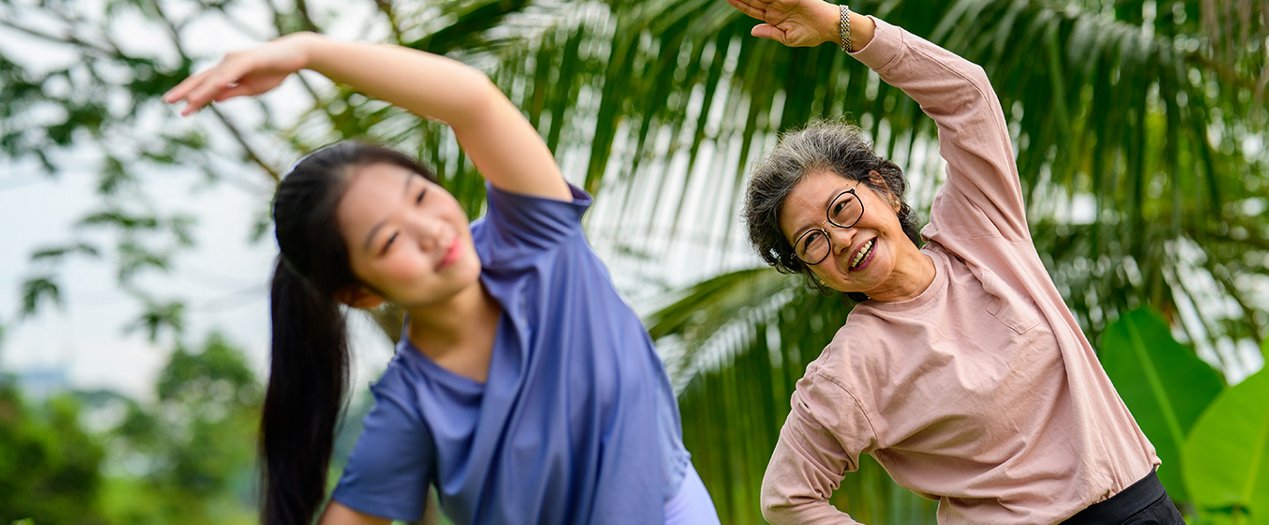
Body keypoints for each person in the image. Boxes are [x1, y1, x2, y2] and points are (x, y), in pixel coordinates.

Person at [163, 31, 719, 525]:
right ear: (359, 293)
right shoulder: (412, 408)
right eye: (389, 240)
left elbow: (471, 100)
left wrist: (307, 51)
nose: (430, 231)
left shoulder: (534, 238)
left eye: (422, 196)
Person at [728, 0, 1185, 523]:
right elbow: (788, 497)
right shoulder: (849, 368)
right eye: (811, 240)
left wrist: (842, 27)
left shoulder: (982, 231)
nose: (839, 238)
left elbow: (967, 95)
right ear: (812, 270)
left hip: (1144, 505)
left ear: (883, 190)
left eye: (842, 208)